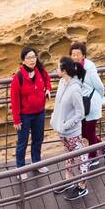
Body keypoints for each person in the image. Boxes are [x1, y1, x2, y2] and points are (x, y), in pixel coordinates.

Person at [50, 57, 90, 200]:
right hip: (62, 130)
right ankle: (68, 179)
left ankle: (82, 186)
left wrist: (66, 125)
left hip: (72, 132)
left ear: (64, 70)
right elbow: (58, 104)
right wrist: (54, 119)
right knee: (68, 154)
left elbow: (80, 113)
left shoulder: (75, 90)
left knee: (81, 157)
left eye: (57, 67)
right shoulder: (62, 82)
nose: (55, 70)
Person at [9, 46, 51, 176]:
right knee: (22, 142)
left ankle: (36, 163)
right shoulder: (19, 77)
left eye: (34, 57)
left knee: (38, 139)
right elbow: (14, 100)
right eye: (29, 58)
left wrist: (48, 89)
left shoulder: (39, 70)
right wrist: (16, 120)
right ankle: (20, 169)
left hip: (39, 112)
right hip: (25, 116)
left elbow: (47, 79)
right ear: (23, 60)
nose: (32, 60)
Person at [70, 43, 105, 166]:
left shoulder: (90, 68)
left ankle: (93, 157)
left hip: (92, 102)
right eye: (73, 54)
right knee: (84, 132)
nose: (75, 56)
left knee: (89, 131)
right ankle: (104, 147)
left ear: (83, 55)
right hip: (82, 104)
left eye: (78, 54)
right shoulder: (72, 68)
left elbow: (100, 86)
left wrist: (100, 99)